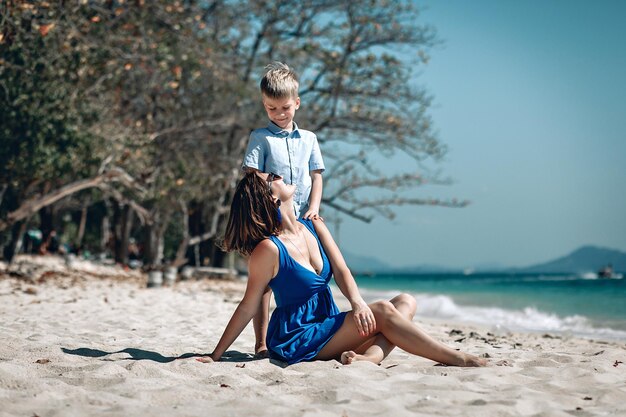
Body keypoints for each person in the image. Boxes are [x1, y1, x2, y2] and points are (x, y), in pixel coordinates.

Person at [197, 172, 486, 367]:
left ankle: (367, 360)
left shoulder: (313, 224)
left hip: (328, 321)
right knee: (385, 311)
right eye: (273, 178)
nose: (280, 175)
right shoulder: (268, 250)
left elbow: (342, 269)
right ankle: (458, 359)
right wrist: (215, 355)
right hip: (297, 336)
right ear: (272, 198)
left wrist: (357, 303)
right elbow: (248, 305)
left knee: (405, 302)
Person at [242, 62, 325, 358]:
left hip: (300, 218)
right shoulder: (260, 138)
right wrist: (274, 183)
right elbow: (250, 172)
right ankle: (261, 343)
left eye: (285, 108)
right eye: (271, 108)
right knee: (264, 284)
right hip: (266, 218)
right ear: (264, 106)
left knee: (310, 272)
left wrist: (313, 208)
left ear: (297, 103)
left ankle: (307, 328)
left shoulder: (310, 139)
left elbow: (317, 175)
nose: (279, 114)